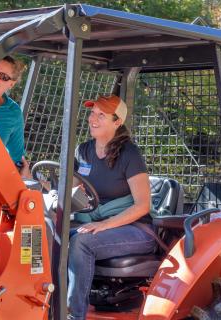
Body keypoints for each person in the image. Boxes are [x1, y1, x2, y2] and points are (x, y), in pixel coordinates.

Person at [67, 95, 156, 319]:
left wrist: (105, 224)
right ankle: (44, 306)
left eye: (101, 115)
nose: (92, 119)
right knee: (50, 236)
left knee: (82, 241)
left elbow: (142, 205)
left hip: (135, 228)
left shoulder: (129, 154)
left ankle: (72, 315)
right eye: (92, 112)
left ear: (117, 122)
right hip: (96, 221)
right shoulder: (84, 150)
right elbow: (72, 190)